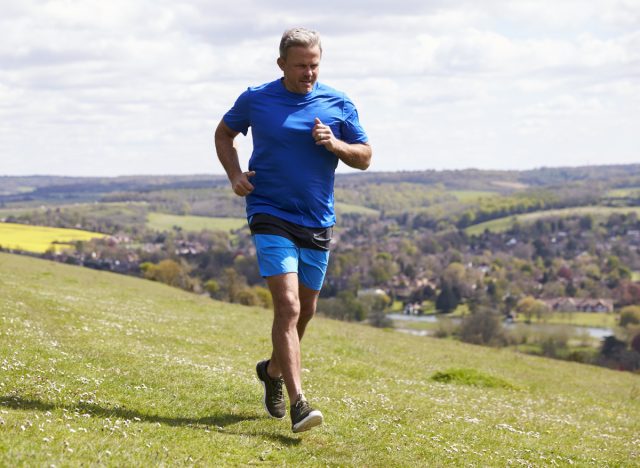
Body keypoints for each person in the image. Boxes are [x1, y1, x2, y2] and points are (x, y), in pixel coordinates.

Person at [214, 27, 371, 433]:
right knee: (288, 307)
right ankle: (301, 403)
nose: (308, 73)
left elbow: (366, 156)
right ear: (281, 63)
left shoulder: (338, 102)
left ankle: (271, 371)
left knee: (306, 310)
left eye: (314, 65)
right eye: (300, 65)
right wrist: (234, 175)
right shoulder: (257, 98)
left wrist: (336, 145)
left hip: (317, 219)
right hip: (269, 210)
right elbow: (224, 133)